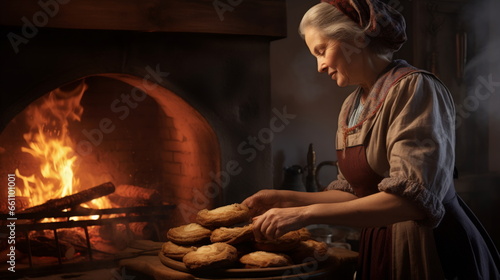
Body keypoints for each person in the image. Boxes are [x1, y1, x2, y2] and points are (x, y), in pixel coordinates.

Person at [242, 0, 500, 279]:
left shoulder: (414, 88)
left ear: (356, 38)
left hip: (426, 246)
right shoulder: (352, 105)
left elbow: (411, 202)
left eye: (322, 50)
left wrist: (305, 215)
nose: (319, 66)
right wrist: (283, 199)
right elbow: (352, 195)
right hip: (379, 242)